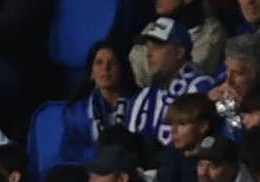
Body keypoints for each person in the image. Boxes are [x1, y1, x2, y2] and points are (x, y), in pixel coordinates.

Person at [126, 17, 215, 147]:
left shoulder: (201, 86)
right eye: (148, 47)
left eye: (157, 47)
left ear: (179, 52)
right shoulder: (144, 96)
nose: (149, 54)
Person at [59, 40, 135, 165]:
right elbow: (69, 151)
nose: (105, 68)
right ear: (91, 73)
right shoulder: (76, 113)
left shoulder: (139, 104)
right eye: (99, 63)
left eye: (112, 63)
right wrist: (102, 154)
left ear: (122, 69)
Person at [129, 0, 228, 87]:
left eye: (158, 45)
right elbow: (137, 70)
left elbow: (189, 73)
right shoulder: (152, 26)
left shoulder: (211, 31)